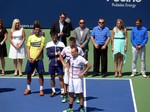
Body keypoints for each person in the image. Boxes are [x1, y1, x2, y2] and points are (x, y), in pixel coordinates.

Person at [63, 47, 91, 112]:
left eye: (72, 52)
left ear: (76, 52)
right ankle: (70, 108)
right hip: (71, 78)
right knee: (71, 93)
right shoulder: (71, 58)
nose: (71, 53)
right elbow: (67, 63)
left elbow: (89, 65)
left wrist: (83, 73)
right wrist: (68, 71)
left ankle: (81, 108)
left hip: (77, 79)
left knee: (79, 94)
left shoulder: (81, 59)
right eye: (71, 52)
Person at [60, 37, 84, 103]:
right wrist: (63, 63)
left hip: (76, 70)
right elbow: (61, 56)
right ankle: (65, 96)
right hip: (68, 68)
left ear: (75, 42)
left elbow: (83, 57)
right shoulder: (65, 49)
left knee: (76, 83)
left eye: (73, 43)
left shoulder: (79, 49)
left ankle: (78, 97)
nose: (71, 44)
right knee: (66, 82)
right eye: (70, 43)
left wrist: (81, 67)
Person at [24, 24, 45, 96]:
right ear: (34, 30)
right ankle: (28, 89)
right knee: (28, 74)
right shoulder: (30, 37)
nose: (37, 31)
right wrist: (29, 57)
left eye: (38, 29)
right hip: (30, 59)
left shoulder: (42, 38)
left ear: (39, 30)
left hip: (38, 60)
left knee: (40, 74)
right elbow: (28, 48)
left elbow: (40, 49)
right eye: (35, 29)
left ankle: (41, 89)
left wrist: (35, 58)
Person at [46, 33, 65, 97]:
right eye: (53, 36)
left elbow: (64, 54)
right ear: (51, 37)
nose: (54, 37)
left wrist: (61, 57)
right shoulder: (48, 44)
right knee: (52, 77)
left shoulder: (61, 44)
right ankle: (53, 91)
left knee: (60, 77)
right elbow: (48, 54)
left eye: (55, 36)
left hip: (59, 64)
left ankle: (62, 91)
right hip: (51, 63)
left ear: (57, 37)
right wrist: (56, 53)